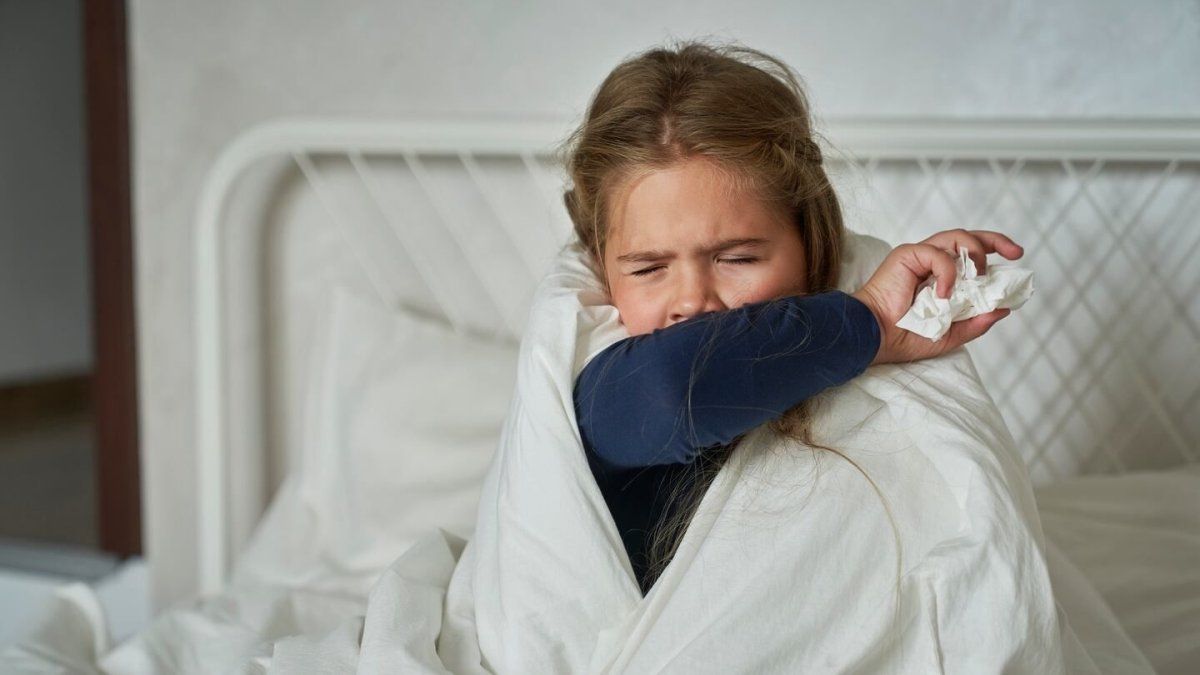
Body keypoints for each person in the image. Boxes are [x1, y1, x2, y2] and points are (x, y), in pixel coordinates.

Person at [564, 41, 1024, 594]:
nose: (692, 301)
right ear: (599, 260)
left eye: (737, 259)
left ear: (811, 239)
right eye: (648, 269)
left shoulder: (843, 293)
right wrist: (870, 321)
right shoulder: (604, 377)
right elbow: (671, 390)